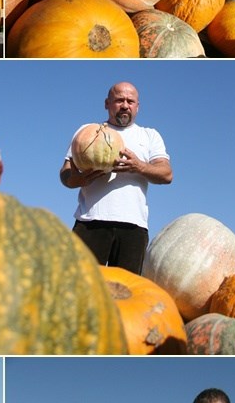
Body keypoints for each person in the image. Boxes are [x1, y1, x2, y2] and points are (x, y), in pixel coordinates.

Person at [59, 82, 172, 273]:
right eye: (119, 100)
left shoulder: (149, 136)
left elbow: (167, 174)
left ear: (138, 106)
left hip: (133, 227)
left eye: (130, 101)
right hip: (90, 222)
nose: (125, 105)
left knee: (126, 293)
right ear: (107, 103)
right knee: (79, 285)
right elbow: (65, 173)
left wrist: (139, 166)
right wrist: (80, 179)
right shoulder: (88, 131)